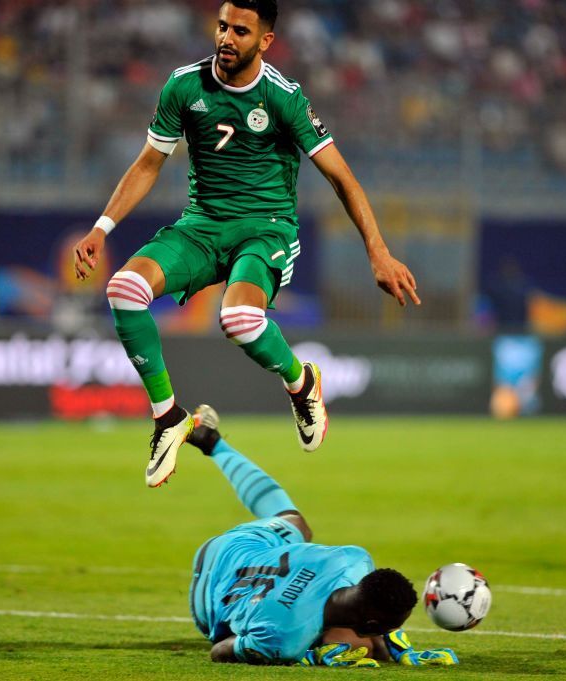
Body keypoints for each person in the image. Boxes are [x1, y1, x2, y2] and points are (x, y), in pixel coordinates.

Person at [73, 0, 420, 488]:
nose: (226, 38)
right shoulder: (184, 85)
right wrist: (101, 227)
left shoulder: (283, 98)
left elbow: (343, 178)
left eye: (240, 30)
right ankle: (168, 417)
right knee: (123, 289)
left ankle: (302, 384)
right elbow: (148, 163)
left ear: (264, 41)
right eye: (222, 26)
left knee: (237, 319)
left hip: (265, 228)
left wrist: (378, 251)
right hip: (202, 225)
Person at [185, 404, 458, 667]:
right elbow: (219, 650)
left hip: (245, 549)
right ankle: (212, 442)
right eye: (389, 629)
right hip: (210, 593)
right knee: (358, 647)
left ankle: (213, 442)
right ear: (371, 625)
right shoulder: (283, 640)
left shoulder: (356, 561)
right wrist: (301, 656)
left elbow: (369, 620)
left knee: (296, 525)